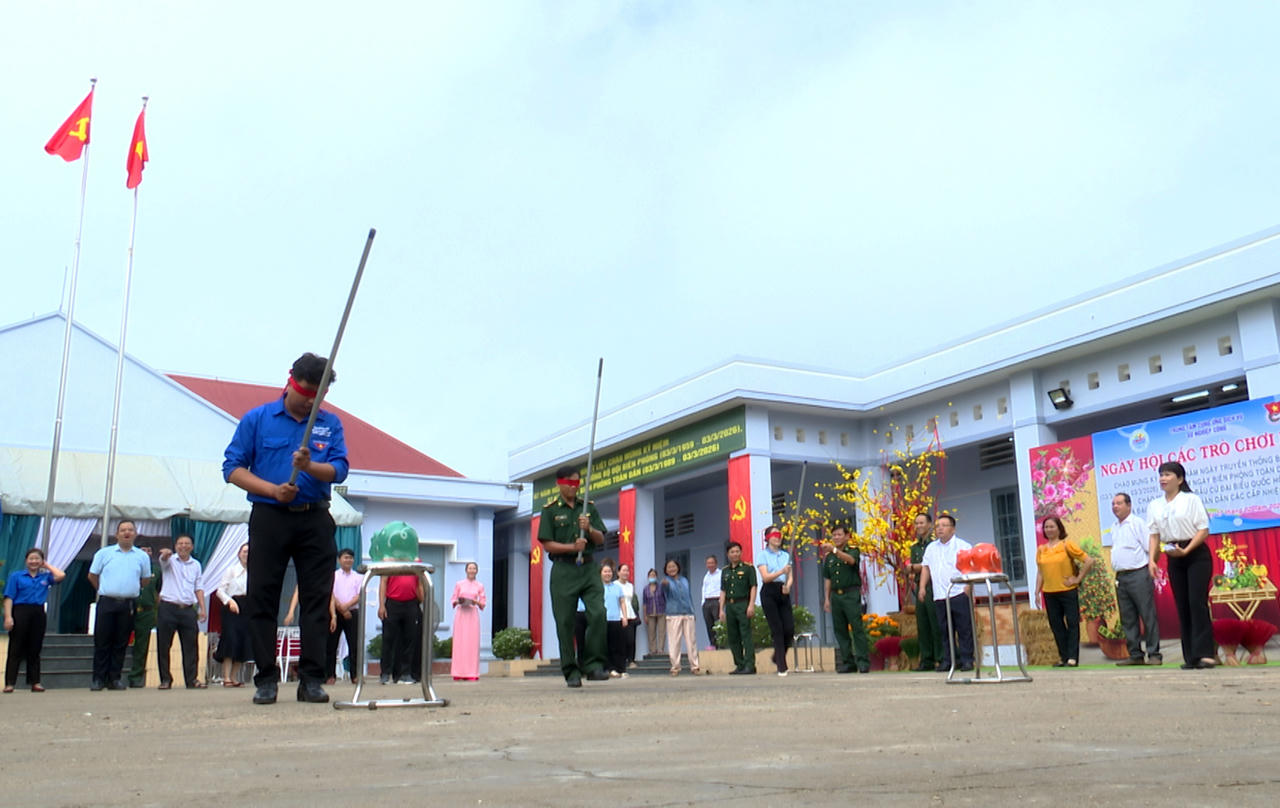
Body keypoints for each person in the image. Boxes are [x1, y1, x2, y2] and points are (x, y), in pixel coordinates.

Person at [223, 352, 349, 705]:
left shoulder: (329, 424)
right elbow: (233, 469)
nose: (310, 401)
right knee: (263, 596)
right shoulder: (258, 419)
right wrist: (272, 490)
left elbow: (339, 470)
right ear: (290, 381)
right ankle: (265, 678)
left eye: (317, 396)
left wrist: (311, 466)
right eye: (305, 393)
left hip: (314, 518)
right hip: (269, 516)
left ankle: (311, 678)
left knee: (315, 598)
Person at [537, 466, 609, 688]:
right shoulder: (550, 510)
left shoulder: (587, 507)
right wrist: (571, 546)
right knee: (565, 622)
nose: (572, 487)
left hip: (588, 568)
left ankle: (593, 665)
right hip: (563, 570)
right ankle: (571, 671)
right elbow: (546, 543)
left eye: (576, 483)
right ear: (559, 483)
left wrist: (588, 529)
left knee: (598, 613)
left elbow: (601, 539)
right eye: (569, 483)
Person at [1147, 461, 1215, 669]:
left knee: (1197, 602)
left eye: (1167, 475)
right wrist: (1152, 560)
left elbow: (1203, 530)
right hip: (1173, 555)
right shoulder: (1154, 505)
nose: (1163, 479)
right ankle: (1191, 657)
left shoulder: (1191, 499)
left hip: (1195, 553)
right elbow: (1154, 535)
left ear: (1180, 479)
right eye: (1160, 475)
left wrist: (1186, 550)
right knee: (1183, 605)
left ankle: (1206, 654)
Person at [87, 520, 153, 691]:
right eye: (123, 530)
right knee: (102, 641)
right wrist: (103, 589)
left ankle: (114, 678)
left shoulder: (142, 556)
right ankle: (98, 679)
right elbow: (92, 575)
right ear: (116, 534)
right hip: (107, 601)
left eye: (130, 530)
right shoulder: (104, 553)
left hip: (128, 604)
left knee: (121, 642)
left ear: (135, 534)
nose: (127, 533)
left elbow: (145, 579)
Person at [1033, 516, 1094, 668]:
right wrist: (1037, 591)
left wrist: (1077, 579)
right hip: (1049, 592)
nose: (1049, 529)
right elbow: (1040, 572)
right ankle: (1064, 656)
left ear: (1059, 528)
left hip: (1067, 591)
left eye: (1052, 526)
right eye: (1046, 527)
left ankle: (1073, 657)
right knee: (1056, 625)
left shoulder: (1067, 545)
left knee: (1073, 623)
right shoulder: (1041, 550)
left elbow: (1089, 561)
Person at [1109, 492, 1162, 666]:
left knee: (1147, 615)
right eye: (1113, 504)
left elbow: (1151, 547)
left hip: (1138, 574)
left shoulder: (1138, 523)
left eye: (1119, 503)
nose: (1115, 507)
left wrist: (1152, 564)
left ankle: (1154, 654)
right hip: (1121, 577)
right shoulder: (1115, 527)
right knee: (1128, 618)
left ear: (1129, 505)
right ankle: (1135, 654)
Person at [3, 548, 65, 693]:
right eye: (31, 558)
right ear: (26, 560)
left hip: (38, 612)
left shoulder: (45, 577)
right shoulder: (16, 576)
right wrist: (8, 617)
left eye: (37, 559)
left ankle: (35, 682)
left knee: (35, 648)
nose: (34, 561)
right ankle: (10, 683)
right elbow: (9, 597)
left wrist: (47, 566)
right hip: (20, 611)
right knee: (15, 648)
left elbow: (61, 575)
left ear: (41, 561)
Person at [918, 513, 974, 672]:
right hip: (939, 595)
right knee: (944, 630)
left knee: (964, 629)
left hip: (958, 592)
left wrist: (968, 586)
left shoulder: (963, 546)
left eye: (944, 525)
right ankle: (949, 660)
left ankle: (967, 659)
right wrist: (922, 587)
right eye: (938, 526)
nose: (940, 529)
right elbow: (925, 568)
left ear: (953, 529)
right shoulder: (931, 548)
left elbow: (970, 567)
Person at [155, 534, 207, 689]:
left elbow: (198, 587)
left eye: (187, 543)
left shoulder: (196, 565)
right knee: (164, 645)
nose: (183, 546)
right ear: (176, 546)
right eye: (180, 543)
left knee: (191, 646)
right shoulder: (170, 561)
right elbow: (163, 560)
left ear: (192, 546)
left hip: (187, 609)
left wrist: (203, 608)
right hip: (168, 607)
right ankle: (165, 679)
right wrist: (165, 554)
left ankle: (192, 679)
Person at [822, 524, 871, 674]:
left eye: (839, 535)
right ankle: (848, 662)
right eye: (834, 535)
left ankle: (863, 661)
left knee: (857, 628)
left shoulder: (853, 550)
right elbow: (828, 578)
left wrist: (835, 550)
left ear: (847, 536)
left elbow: (851, 561)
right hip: (836, 595)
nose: (836, 538)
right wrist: (827, 598)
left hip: (850, 594)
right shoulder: (829, 557)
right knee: (840, 630)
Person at [905, 513, 942, 671]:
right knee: (923, 624)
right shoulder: (914, 547)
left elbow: (930, 565)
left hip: (934, 586)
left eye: (922, 523)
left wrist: (914, 567)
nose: (919, 526)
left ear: (929, 525)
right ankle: (926, 659)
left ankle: (941, 658)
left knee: (936, 624)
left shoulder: (936, 544)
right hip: (920, 586)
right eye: (916, 523)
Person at [757, 525, 795, 676]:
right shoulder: (763, 555)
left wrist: (788, 585)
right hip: (769, 591)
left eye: (779, 535)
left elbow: (790, 575)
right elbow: (765, 577)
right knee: (777, 629)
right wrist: (781, 571)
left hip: (783, 590)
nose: (777, 537)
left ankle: (777, 656)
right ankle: (782, 665)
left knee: (789, 628)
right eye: (774, 535)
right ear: (767, 538)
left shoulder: (785, 555)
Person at [378, 564, 424, 685]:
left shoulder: (416, 562)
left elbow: (419, 583)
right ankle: (385, 673)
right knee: (388, 639)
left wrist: (422, 600)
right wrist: (381, 605)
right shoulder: (390, 561)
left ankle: (406, 673)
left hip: (411, 604)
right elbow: (383, 582)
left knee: (410, 639)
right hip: (393, 603)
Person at [214, 542, 252, 687]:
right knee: (231, 640)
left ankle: (234, 677)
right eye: (244, 551)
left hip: (247, 607)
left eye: (249, 552)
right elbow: (220, 591)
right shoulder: (231, 571)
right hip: (232, 607)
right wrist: (230, 602)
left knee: (244, 640)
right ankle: (226, 677)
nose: (246, 555)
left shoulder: (254, 572)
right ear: (238, 554)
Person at [719, 541, 757, 674]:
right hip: (730, 605)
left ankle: (750, 665)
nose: (735, 554)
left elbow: (753, 586)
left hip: (743, 604)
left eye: (737, 551)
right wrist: (721, 609)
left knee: (745, 635)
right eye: (732, 552)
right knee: (733, 636)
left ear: (741, 552)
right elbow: (723, 591)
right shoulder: (725, 571)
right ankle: (739, 664)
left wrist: (751, 604)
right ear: (728, 554)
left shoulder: (748, 568)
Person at [127, 544, 161, 688]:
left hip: (146, 611)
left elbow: (159, 591)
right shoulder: (129, 566)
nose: (146, 553)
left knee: (142, 646)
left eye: (149, 550)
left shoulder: (157, 570)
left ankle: (136, 677)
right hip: (127, 608)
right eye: (143, 550)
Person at [328, 548, 362, 684]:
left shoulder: (358, 577)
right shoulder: (333, 576)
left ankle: (355, 675)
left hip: (352, 613)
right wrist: (341, 609)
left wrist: (346, 607)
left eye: (350, 558)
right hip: (334, 613)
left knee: (354, 645)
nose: (348, 560)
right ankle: (330, 675)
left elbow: (359, 595)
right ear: (339, 560)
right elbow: (331, 593)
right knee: (331, 645)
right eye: (345, 557)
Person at [661, 559, 700, 676]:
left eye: (674, 566)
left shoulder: (684, 580)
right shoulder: (665, 581)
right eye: (669, 567)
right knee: (674, 642)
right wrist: (665, 586)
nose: (672, 569)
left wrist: (693, 612)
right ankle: (675, 667)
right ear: (666, 570)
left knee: (691, 641)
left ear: (678, 567)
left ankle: (695, 666)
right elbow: (665, 590)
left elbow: (689, 597)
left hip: (688, 613)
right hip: (673, 614)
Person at [450, 561, 485, 681]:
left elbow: (483, 603)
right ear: (466, 570)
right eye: (469, 568)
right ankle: (458, 672)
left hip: (472, 615)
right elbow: (453, 598)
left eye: (474, 568)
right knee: (460, 644)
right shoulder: (459, 584)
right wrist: (458, 601)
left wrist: (476, 602)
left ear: (477, 571)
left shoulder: (479, 585)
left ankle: (472, 673)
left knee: (472, 644)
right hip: (461, 615)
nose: (471, 570)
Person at [601, 559, 629, 678]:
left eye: (609, 571)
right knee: (605, 646)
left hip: (616, 620)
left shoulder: (617, 587)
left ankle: (620, 668)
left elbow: (622, 602)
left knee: (618, 645)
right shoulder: (598, 587)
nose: (608, 574)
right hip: (602, 620)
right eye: (605, 571)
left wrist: (625, 617)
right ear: (600, 573)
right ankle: (608, 668)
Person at [616, 563, 639, 668]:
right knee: (621, 639)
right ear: (618, 572)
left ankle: (631, 660)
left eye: (627, 570)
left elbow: (632, 601)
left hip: (631, 615)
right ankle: (621, 660)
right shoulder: (615, 585)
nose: (626, 572)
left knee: (631, 639)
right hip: (619, 615)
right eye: (623, 570)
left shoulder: (630, 585)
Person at [700, 554, 722, 650]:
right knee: (709, 624)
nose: (710, 565)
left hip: (717, 600)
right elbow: (704, 589)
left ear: (716, 563)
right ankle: (712, 644)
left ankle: (721, 644)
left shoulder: (721, 574)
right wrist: (703, 602)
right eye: (708, 563)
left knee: (718, 624)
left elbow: (723, 588)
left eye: (712, 563)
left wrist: (721, 602)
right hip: (707, 602)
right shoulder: (706, 576)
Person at [642, 568, 666, 655]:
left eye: (654, 575)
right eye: (651, 575)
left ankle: (661, 650)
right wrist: (645, 615)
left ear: (656, 576)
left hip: (661, 612)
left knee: (662, 631)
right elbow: (644, 603)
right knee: (651, 632)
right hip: (650, 612)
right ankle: (653, 650)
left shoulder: (661, 587)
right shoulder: (645, 589)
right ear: (648, 577)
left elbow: (665, 599)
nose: (652, 577)